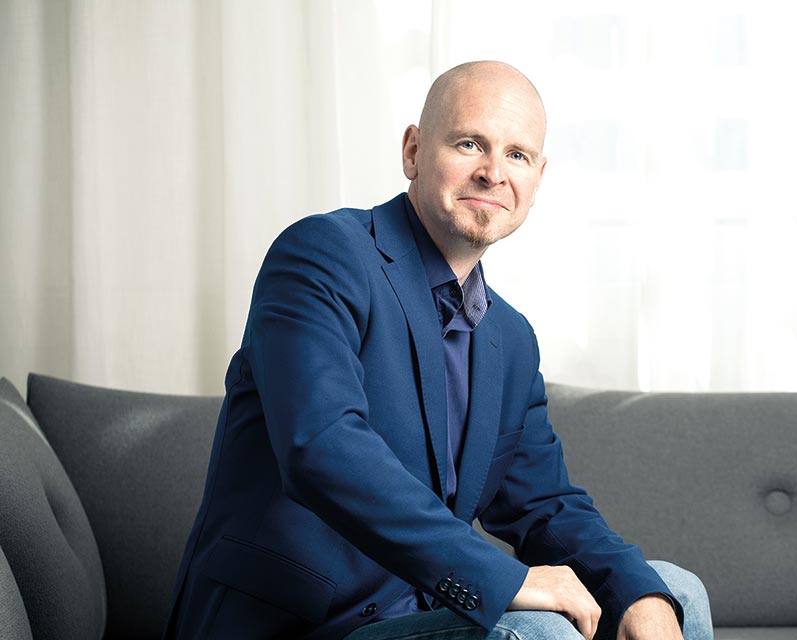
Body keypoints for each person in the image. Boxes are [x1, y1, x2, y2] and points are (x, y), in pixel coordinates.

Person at [163, 60, 713, 640]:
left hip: (417, 620)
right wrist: (503, 579)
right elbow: (321, 446)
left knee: (670, 592)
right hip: (296, 626)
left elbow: (543, 505)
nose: (493, 173)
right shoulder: (323, 254)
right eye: (470, 143)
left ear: (538, 177)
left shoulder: (511, 338)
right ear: (413, 152)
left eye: (517, 155)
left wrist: (634, 591)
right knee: (539, 631)